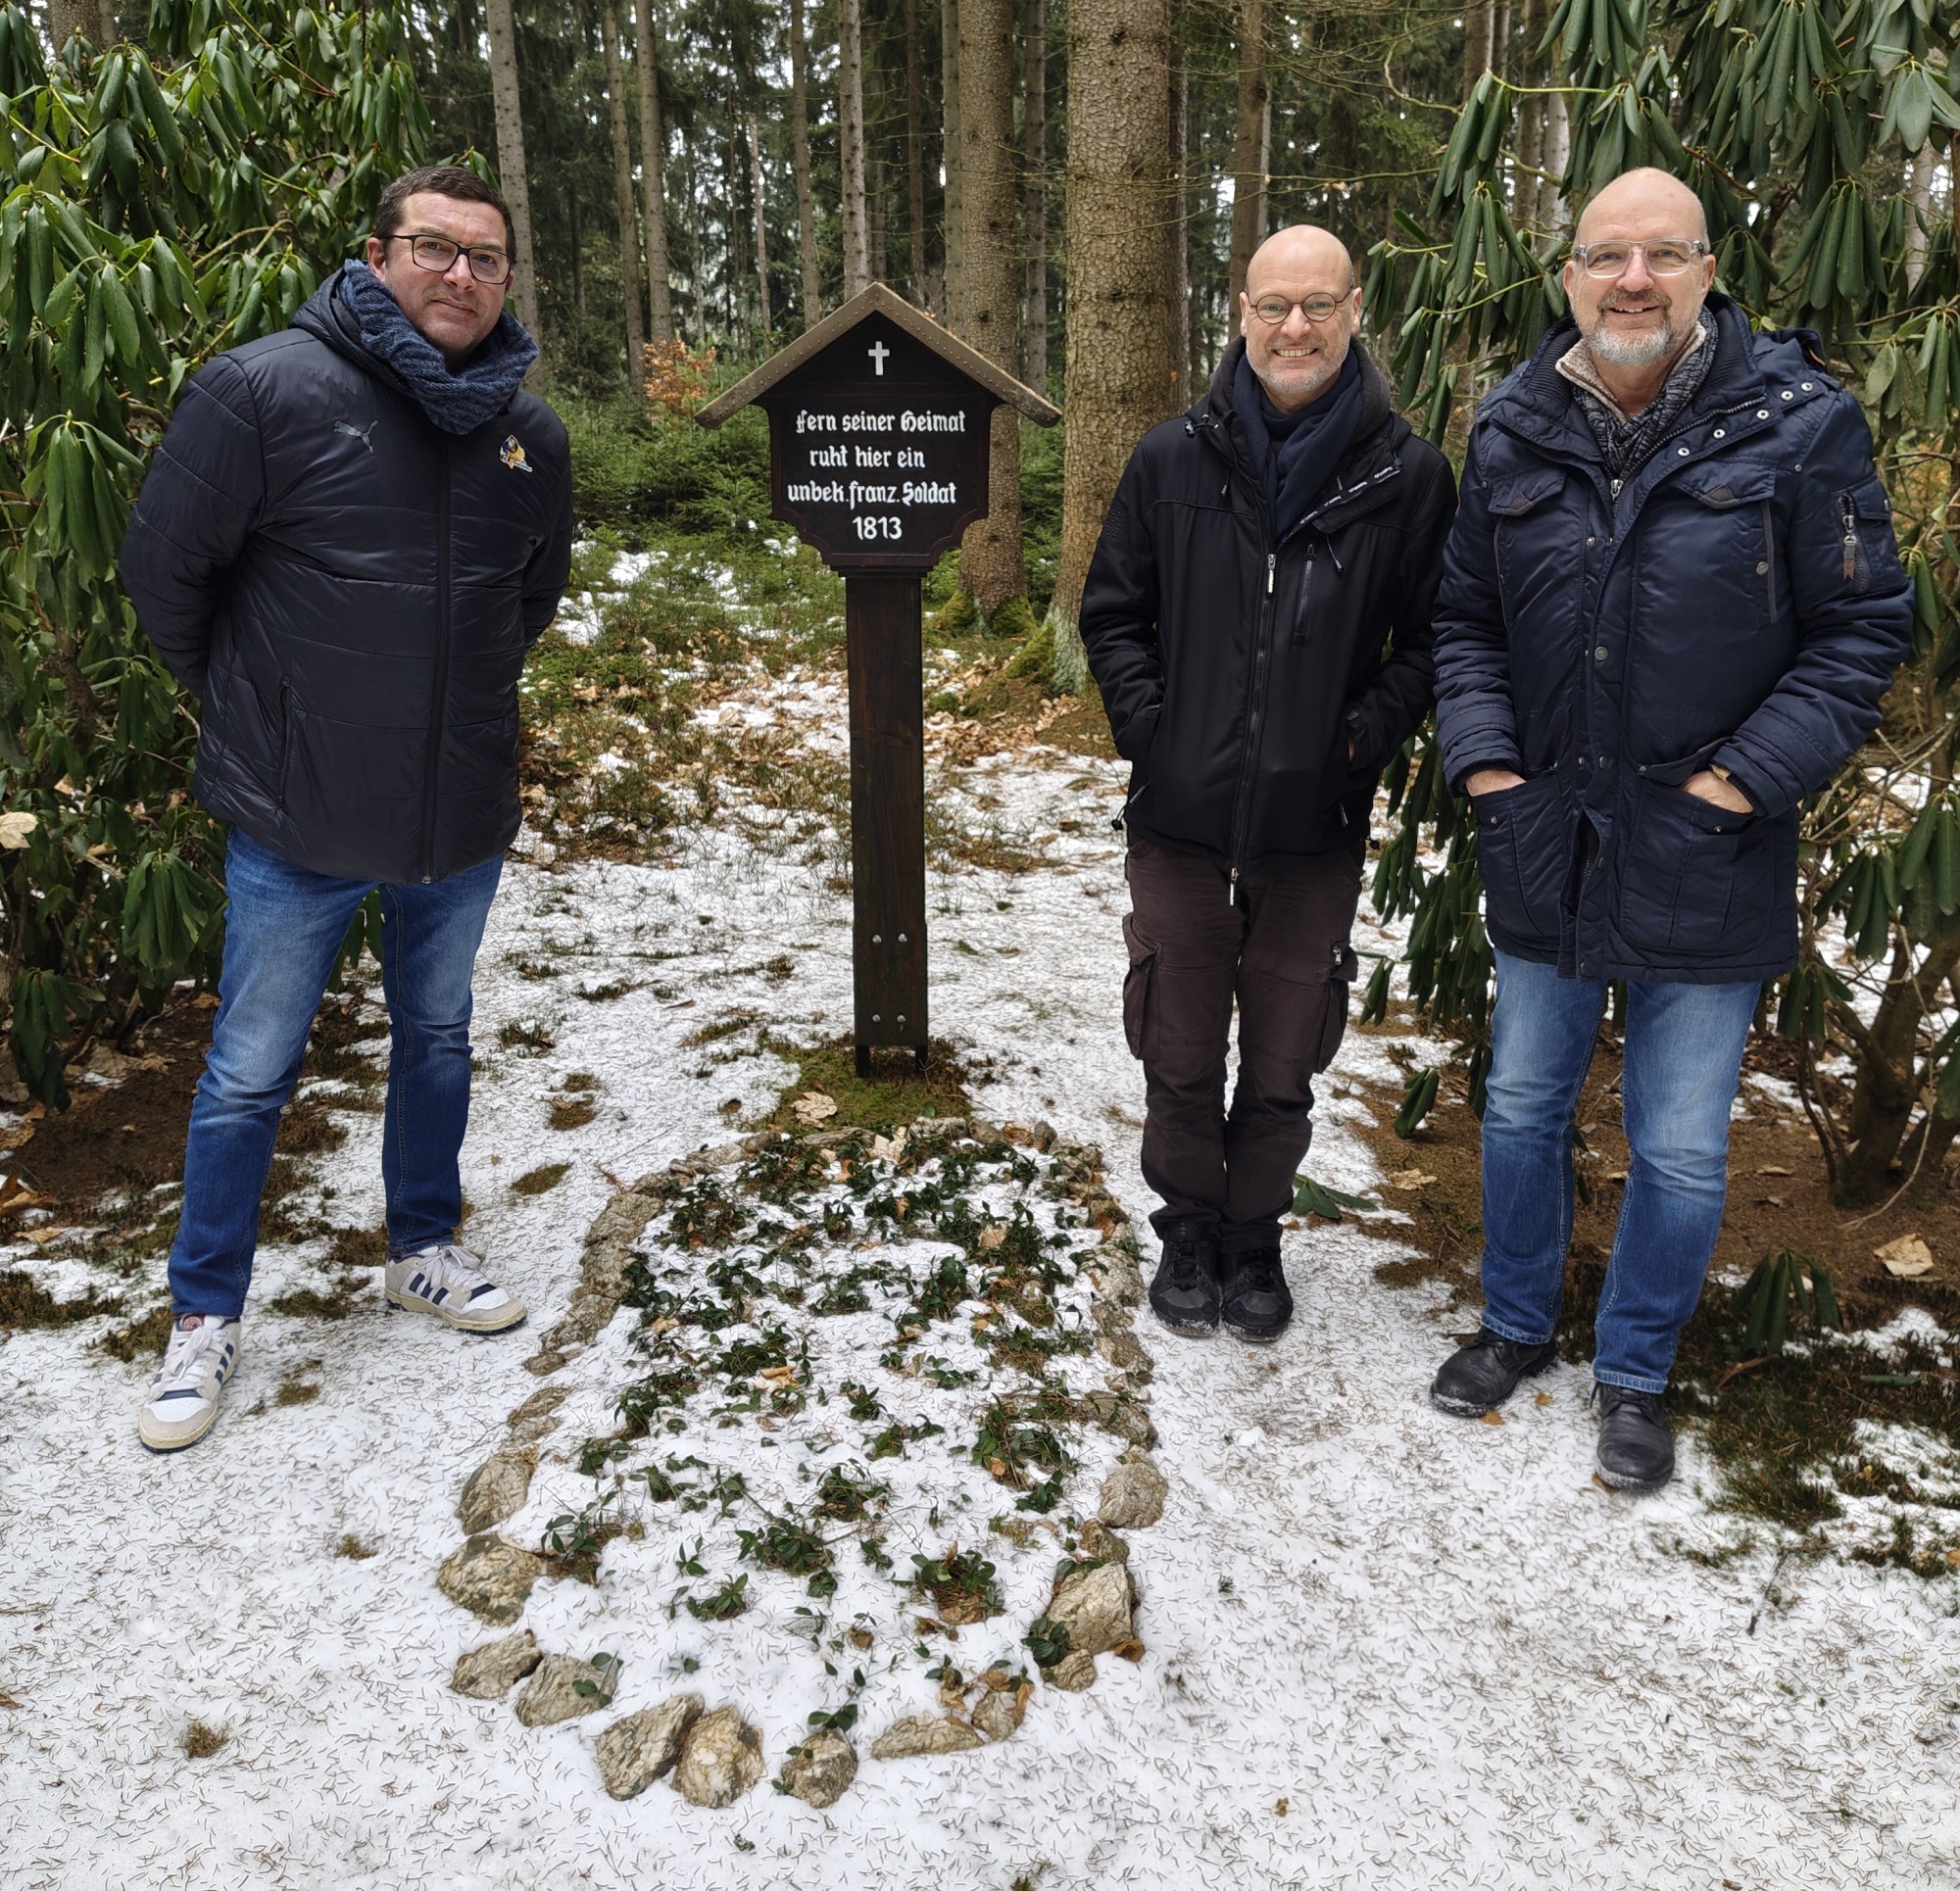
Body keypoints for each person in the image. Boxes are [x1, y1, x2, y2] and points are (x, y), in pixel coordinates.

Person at [1428, 168, 1912, 1489]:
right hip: (1546, 836)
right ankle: (1517, 1320)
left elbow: (1863, 627)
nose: (1631, 280)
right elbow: (1464, 619)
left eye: (1663, 254)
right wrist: (1487, 769)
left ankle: (1636, 1370)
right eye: (1605, 256)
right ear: (1568, 277)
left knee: (1685, 1138)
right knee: (1523, 1098)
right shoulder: (1515, 427)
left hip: (1711, 843)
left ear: (1707, 270)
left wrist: (1741, 781)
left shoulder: (1803, 425)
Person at [119, 166, 573, 1452]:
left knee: (436, 1032)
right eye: (437, 249)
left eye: (488, 260)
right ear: (376, 255)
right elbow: (166, 574)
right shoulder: (260, 391)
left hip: (456, 815)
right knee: (250, 1069)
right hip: (295, 816)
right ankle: (203, 1314)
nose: (464, 277)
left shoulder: (528, 435)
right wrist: (263, 714)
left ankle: (421, 1243)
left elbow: (525, 607)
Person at [1081, 225, 1457, 1344]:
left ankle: (1255, 1238)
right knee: (1181, 1048)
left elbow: (1434, 643)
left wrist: (1353, 742)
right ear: (1240, 313)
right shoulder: (1170, 460)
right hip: (1179, 822)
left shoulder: (1406, 473)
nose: (1294, 326)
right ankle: (1188, 1228)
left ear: (1351, 313)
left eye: (1317, 305)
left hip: (1313, 828)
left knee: (1284, 1058)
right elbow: (1110, 612)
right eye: (1272, 305)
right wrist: (1155, 730)